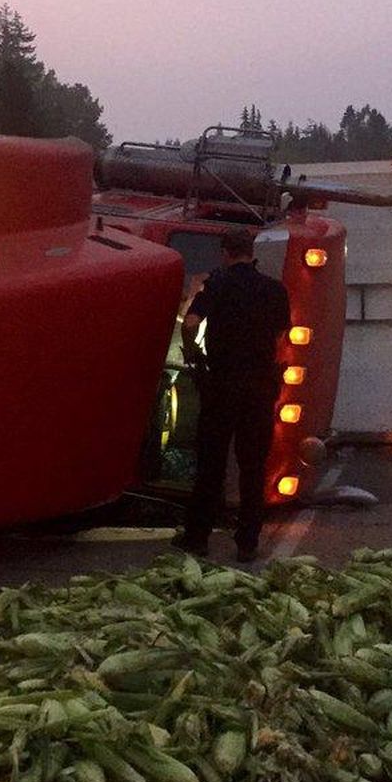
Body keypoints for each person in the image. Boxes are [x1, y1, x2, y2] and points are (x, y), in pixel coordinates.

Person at [174, 227, 291, 561]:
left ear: (225, 251)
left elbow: (191, 323)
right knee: (253, 467)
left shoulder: (217, 284)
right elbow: (282, 331)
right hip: (259, 387)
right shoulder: (274, 290)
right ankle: (247, 543)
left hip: (222, 385)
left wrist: (194, 356)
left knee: (211, 464)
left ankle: (197, 538)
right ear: (251, 251)